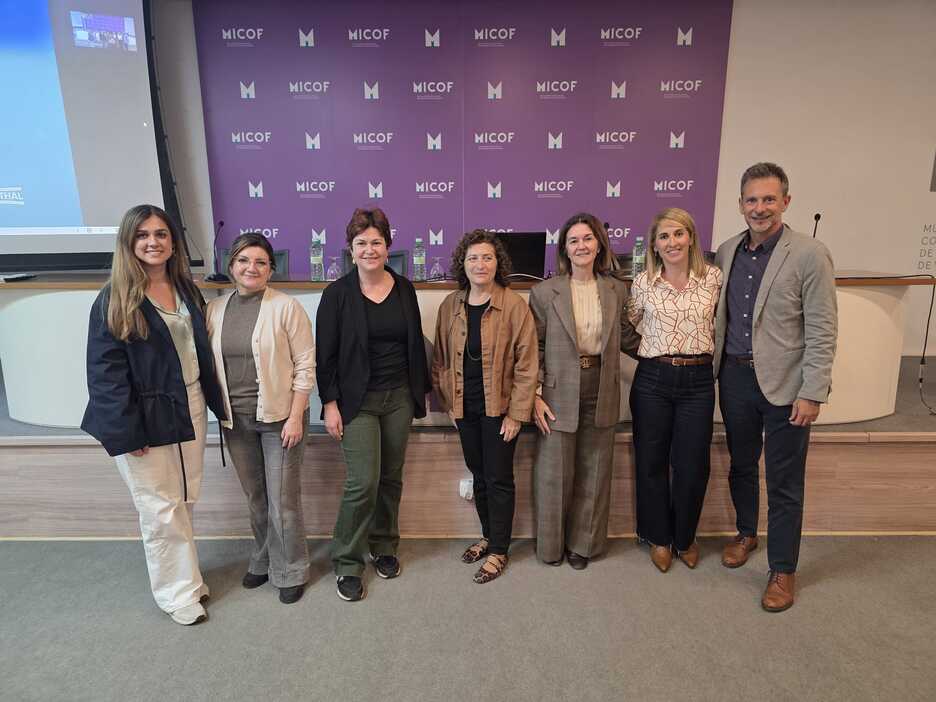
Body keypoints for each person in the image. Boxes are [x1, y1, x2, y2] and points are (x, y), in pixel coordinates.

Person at [82, 204, 226, 626]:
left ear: (173, 242)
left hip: (189, 406)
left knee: (183, 498)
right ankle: (176, 594)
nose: (153, 242)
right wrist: (128, 433)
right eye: (142, 235)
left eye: (161, 234)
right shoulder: (114, 298)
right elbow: (104, 374)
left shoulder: (186, 289)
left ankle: (188, 579)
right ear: (128, 243)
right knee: (159, 507)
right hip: (143, 418)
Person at [714, 162, 837, 612]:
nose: (760, 208)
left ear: (786, 201)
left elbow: (823, 328)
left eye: (769, 199)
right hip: (734, 378)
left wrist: (813, 390)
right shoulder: (726, 251)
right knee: (742, 465)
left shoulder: (809, 254)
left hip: (787, 386)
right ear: (740, 204)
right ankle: (747, 532)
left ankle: (783, 569)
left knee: (784, 481)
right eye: (752, 199)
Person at [316, 208, 431, 602]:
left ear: (388, 246)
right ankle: (347, 561)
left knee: (391, 478)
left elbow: (413, 343)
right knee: (363, 481)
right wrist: (330, 404)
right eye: (361, 243)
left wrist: (419, 392)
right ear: (351, 249)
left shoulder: (405, 289)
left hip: (399, 397)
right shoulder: (336, 295)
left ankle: (383, 545)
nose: (369, 249)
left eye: (376, 242)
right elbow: (325, 355)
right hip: (356, 402)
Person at [206, 232, 315, 604]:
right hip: (235, 421)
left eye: (260, 262)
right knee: (256, 498)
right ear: (231, 265)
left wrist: (296, 417)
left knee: (283, 500)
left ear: (271, 268)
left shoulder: (286, 307)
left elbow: (305, 366)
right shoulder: (214, 309)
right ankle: (264, 558)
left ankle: (291, 570)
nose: (251, 268)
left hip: (281, 419)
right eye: (243, 260)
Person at [530, 213, 641, 569]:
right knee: (554, 473)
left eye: (587, 239)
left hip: (601, 385)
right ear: (564, 248)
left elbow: (627, 338)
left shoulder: (616, 290)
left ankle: (583, 545)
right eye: (574, 240)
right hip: (557, 389)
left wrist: (670, 348)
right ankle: (551, 546)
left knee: (595, 469)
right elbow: (534, 348)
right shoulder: (544, 292)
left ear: (599, 245)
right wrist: (534, 394)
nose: (581, 246)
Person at [431, 230, 538, 583]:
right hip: (465, 408)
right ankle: (489, 536)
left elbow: (527, 365)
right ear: (463, 264)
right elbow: (440, 360)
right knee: (479, 475)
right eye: (473, 258)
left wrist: (517, 414)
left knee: (499, 478)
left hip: (501, 410)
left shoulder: (514, 305)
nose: (480, 264)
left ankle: (500, 550)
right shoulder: (450, 305)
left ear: (498, 263)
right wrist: (449, 404)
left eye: (487, 257)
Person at [627, 208, 722, 572]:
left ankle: (685, 537)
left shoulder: (713, 278)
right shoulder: (643, 283)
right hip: (653, 379)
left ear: (691, 237)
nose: (672, 242)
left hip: (698, 382)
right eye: (664, 236)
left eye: (678, 234)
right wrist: (653, 347)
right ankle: (659, 538)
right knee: (651, 462)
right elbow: (630, 324)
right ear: (654, 244)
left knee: (692, 464)